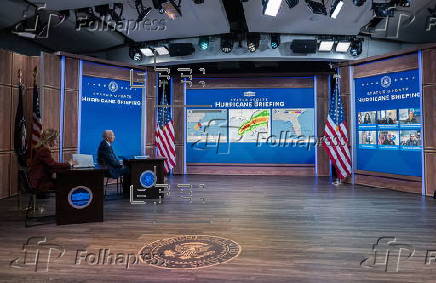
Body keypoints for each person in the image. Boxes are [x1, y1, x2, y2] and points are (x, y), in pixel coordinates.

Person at [29, 129, 74, 195]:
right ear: (50, 140)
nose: (57, 142)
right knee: (68, 183)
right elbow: (53, 165)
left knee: (65, 181)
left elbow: (50, 165)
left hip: (40, 180)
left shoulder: (40, 148)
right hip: (40, 183)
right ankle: (65, 204)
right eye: (56, 140)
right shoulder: (44, 150)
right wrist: (68, 164)